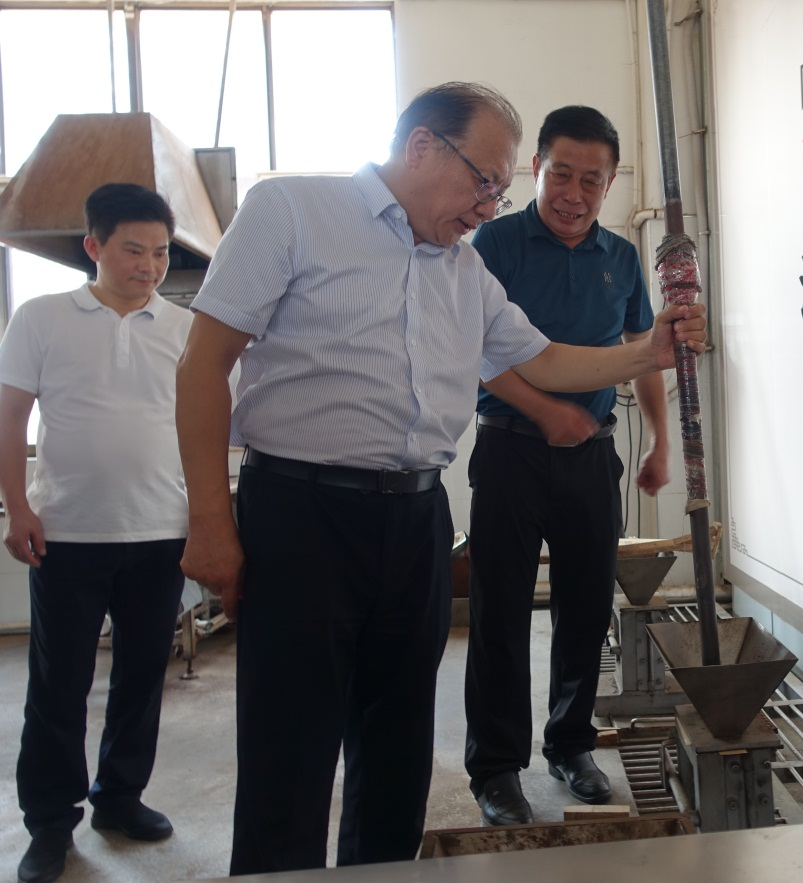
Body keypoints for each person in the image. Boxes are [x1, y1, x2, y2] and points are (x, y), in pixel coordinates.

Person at [174, 81, 705, 874]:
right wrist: (210, 520)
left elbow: (542, 359)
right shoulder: (293, 211)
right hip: (302, 513)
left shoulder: (462, 271)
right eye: (483, 181)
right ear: (421, 145)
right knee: (293, 746)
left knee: (396, 746)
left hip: (416, 517)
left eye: (498, 190)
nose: (489, 206)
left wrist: (648, 351)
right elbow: (202, 364)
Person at [463, 106, 669, 825]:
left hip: (591, 453)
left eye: (591, 180)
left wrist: (659, 440)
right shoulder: (495, 242)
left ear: (609, 184)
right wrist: (544, 409)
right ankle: (495, 768)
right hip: (510, 448)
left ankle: (570, 745)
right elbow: (479, 352)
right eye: (560, 174)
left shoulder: (622, 258)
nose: (573, 194)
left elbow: (641, 350)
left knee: (585, 607)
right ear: (536, 170)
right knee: (500, 611)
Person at [0, 183, 192, 883]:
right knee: (60, 683)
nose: (149, 266)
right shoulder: (42, 317)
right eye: (134, 250)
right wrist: (16, 506)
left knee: (142, 676)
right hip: (67, 533)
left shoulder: (182, 328)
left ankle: (120, 797)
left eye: (161, 252)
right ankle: (50, 822)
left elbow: (205, 424)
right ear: (94, 247)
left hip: (161, 531)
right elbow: (10, 415)